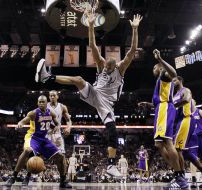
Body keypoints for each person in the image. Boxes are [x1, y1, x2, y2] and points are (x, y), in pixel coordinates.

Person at [35, 12, 143, 177]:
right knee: (78, 79)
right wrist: (91, 25)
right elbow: (92, 45)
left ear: (114, 66)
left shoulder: (121, 68)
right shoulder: (101, 64)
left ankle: (111, 166)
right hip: (95, 93)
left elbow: (133, 49)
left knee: (113, 132)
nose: (104, 69)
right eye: (104, 67)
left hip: (107, 104)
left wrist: (134, 29)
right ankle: (47, 76)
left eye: (108, 68)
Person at [6, 95, 71, 188]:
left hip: (44, 139)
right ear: (37, 103)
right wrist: (20, 124)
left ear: (46, 103)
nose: (41, 103)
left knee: (61, 156)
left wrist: (56, 128)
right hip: (33, 137)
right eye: (39, 102)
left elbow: (56, 123)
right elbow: (24, 120)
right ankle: (13, 177)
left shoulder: (51, 113)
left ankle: (63, 180)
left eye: (43, 102)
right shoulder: (34, 113)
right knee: (27, 151)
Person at [150, 49, 186, 188]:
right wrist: (148, 104)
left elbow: (174, 73)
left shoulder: (164, 75)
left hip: (165, 110)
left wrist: (160, 60)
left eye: (155, 67)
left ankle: (179, 177)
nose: (153, 69)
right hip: (161, 110)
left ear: (160, 68)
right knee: (158, 145)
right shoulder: (160, 81)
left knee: (167, 142)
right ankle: (178, 173)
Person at [22, 90, 72, 186]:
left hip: (57, 135)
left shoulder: (62, 107)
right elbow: (33, 116)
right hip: (45, 135)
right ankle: (27, 176)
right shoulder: (44, 105)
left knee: (61, 157)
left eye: (54, 95)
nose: (52, 97)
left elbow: (68, 120)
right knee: (35, 156)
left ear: (57, 96)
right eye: (50, 95)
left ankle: (63, 180)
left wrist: (68, 127)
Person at [172, 77, 202, 188]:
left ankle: (180, 177)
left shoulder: (186, 91)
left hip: (190, 125)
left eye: (174, 80)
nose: (172, 82)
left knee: (176, 149)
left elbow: (185, 99)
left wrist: (171, 106)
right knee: (185, 153)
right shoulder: (174, 96)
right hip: (184, 127)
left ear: (180, 81)